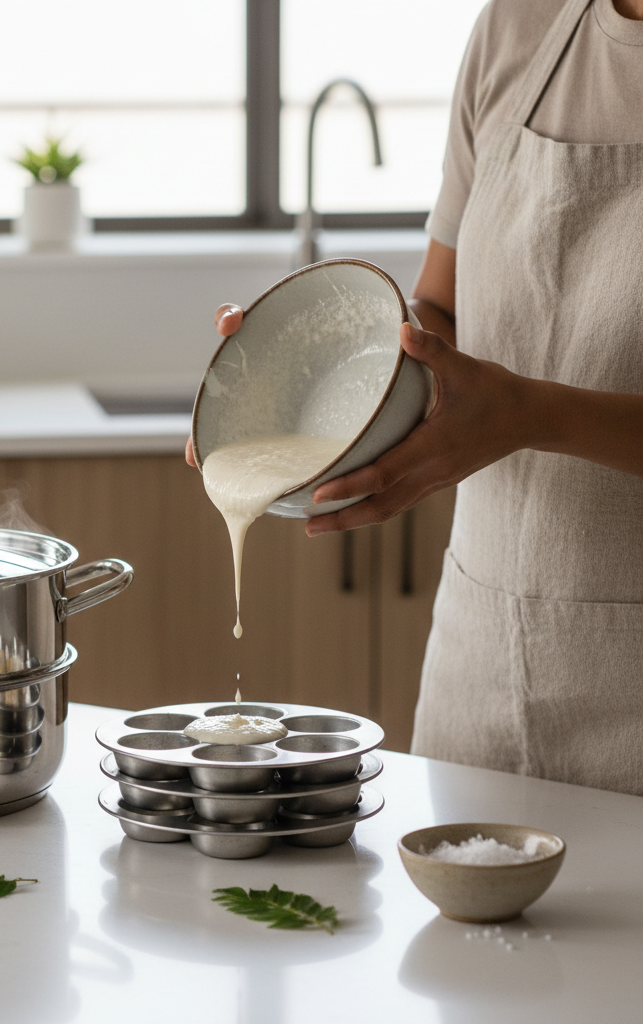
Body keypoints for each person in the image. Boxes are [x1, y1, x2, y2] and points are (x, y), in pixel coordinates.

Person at [188, 0, 643, 795]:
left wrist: (530, 415)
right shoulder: (519, 27)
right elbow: (440, 306)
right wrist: (318, 367)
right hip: (484, 681)